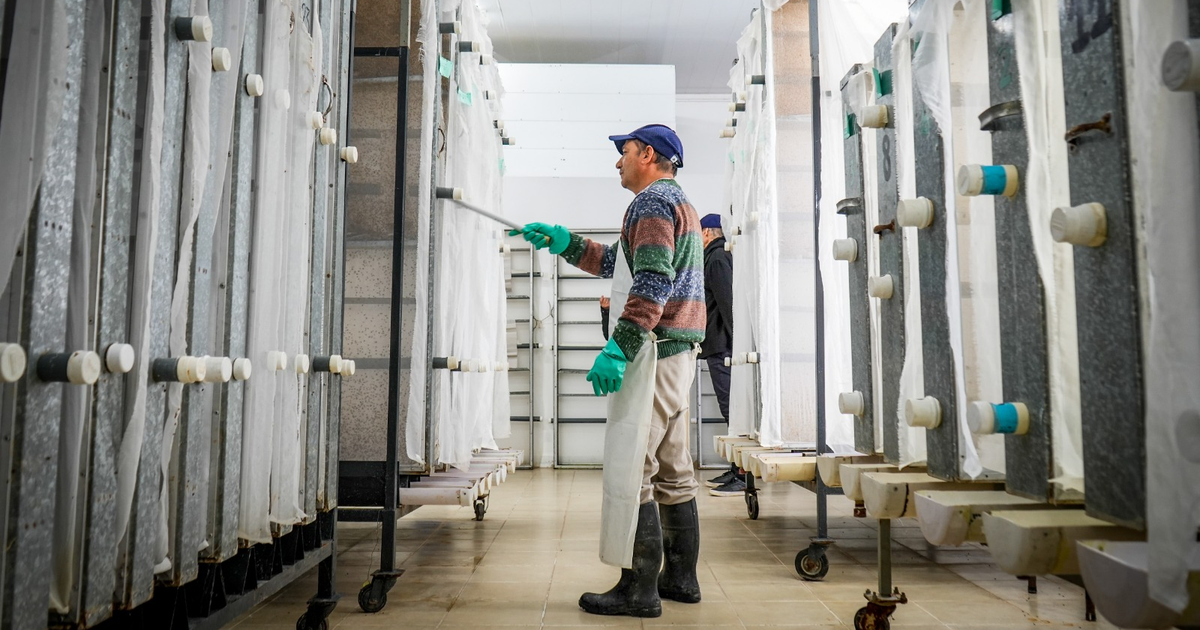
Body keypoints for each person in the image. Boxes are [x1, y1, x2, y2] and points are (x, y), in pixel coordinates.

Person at [513, 124, 704, 619]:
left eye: (623, 153)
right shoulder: (677, 203)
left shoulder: (651, 204)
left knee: (631, 469)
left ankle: (639, 590)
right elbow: (617, 263)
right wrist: (564, 242)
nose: (617, 162)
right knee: (673, 471)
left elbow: (652, 279)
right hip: (679, 357)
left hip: (655, 356)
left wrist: (620, 347)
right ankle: (681, 579)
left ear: (648, 153)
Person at [694, 214, 742, 497]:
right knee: (730, 409)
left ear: (709, 233)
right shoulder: (713, 257)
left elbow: (728, 303)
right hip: (720, 347)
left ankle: (740, 473)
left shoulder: (716, 259)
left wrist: (736, 346)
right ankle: (736, 467)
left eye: (698, 232)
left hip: (724, 348)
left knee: (732, 409)